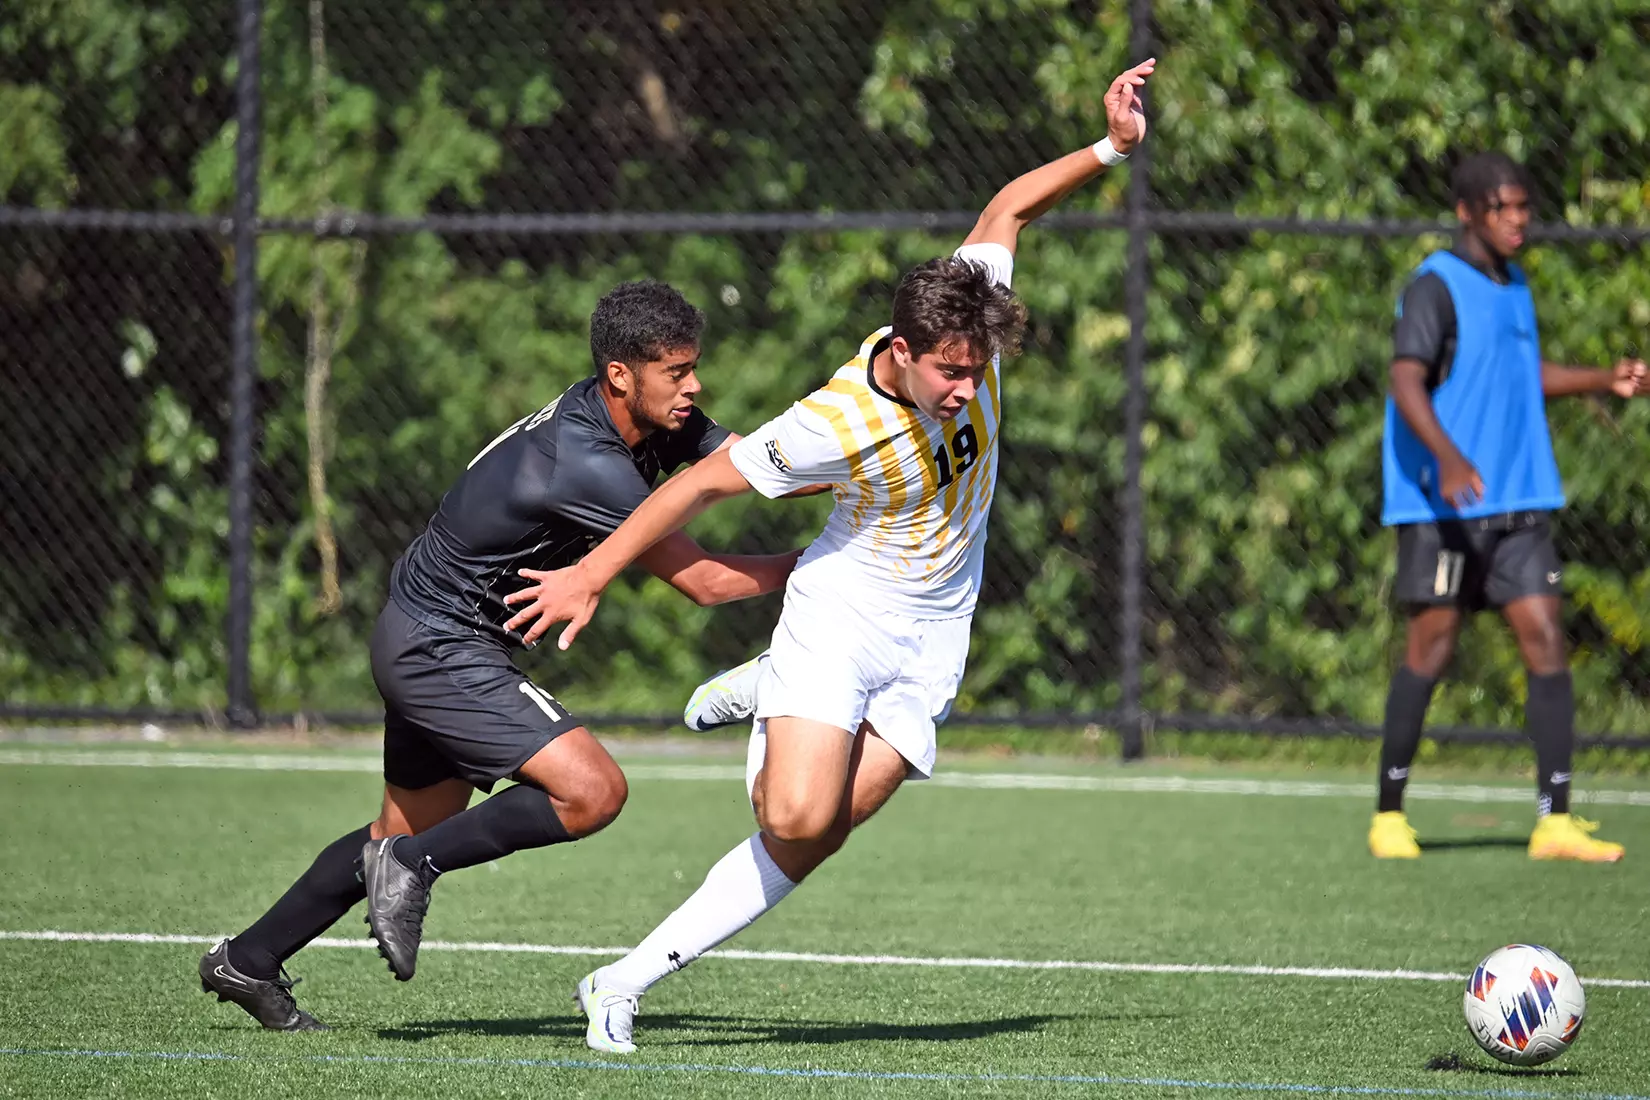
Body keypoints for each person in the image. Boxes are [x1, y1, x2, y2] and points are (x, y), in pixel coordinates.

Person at [499, 59, 1158, 1053]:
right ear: (902, 345)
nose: (964, 388)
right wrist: (593, 572)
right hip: (842, 610)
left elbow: (1010, 206)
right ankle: (778, 681)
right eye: (949, 372)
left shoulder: (964, 304)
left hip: (939, 629)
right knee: (793, 808)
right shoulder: (833, 422)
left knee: (816, 834)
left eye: (977, 372)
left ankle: (620, 979)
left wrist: (1111, 145)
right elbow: (690, 487)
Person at [198, 280, 803, 1029]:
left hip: (422, 632)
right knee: (592, 792)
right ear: (622, 375)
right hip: (440, 644)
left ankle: (247, 961)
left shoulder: (649, 419)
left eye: (693, 368)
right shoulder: (588, 463)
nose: (694, 386)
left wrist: (853, 465)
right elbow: (707, 583)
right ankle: (411, 869)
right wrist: (825, 564)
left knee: (395, 833)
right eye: (677, 373)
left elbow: (754, 464)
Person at [1369, 151, 1647, 861]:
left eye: (1524, 206)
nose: (1519, 219)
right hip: (1444, 506)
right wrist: (1451, 458)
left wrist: (1601, 379)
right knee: (1431, 649)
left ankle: (1554, 819)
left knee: (1547, 641)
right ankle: (1389, 813)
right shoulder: (1436, 285)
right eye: (1503, 207)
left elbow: (1522, 374)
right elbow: (1407, 383)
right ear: (1468, 212)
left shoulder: (1514, 282)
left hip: (1518, 497)